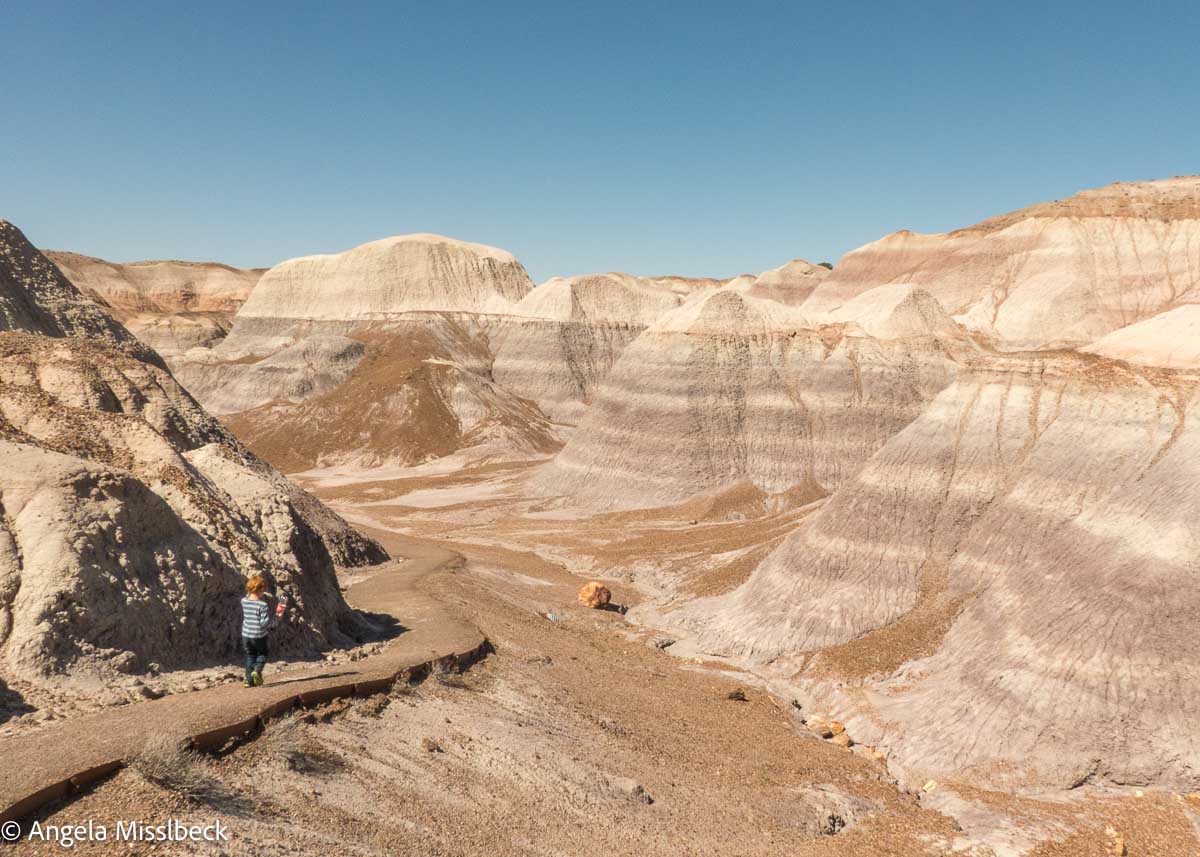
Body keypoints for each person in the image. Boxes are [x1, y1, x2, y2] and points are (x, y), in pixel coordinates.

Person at [241, 574, 285, 687]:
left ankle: (248, 681)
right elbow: (264, 623)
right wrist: (277, 618)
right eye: (263, 590)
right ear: (260, 590)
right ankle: (257, 670)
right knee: (263, 653)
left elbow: (248, 595)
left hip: (246, 635)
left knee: (250, 656)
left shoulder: (244, 601)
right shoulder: (262, 605)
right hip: (259, 636)